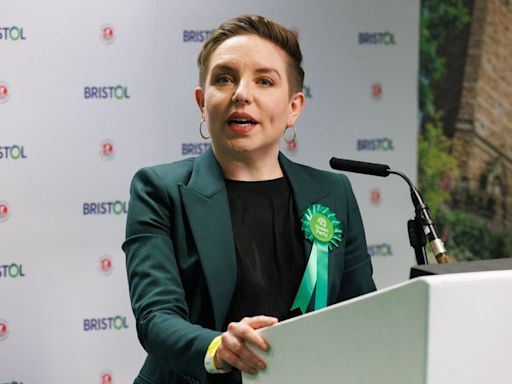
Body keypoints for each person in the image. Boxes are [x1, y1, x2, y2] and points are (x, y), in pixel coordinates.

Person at [123, 14, 376, 384]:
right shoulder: (159, 189)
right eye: (224, 79)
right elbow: (156, 318)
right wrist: (217, 348)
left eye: (264, 80)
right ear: (202, 101)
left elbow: (361, 315)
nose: (242, 93)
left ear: (294, 107)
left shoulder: (333, 192)